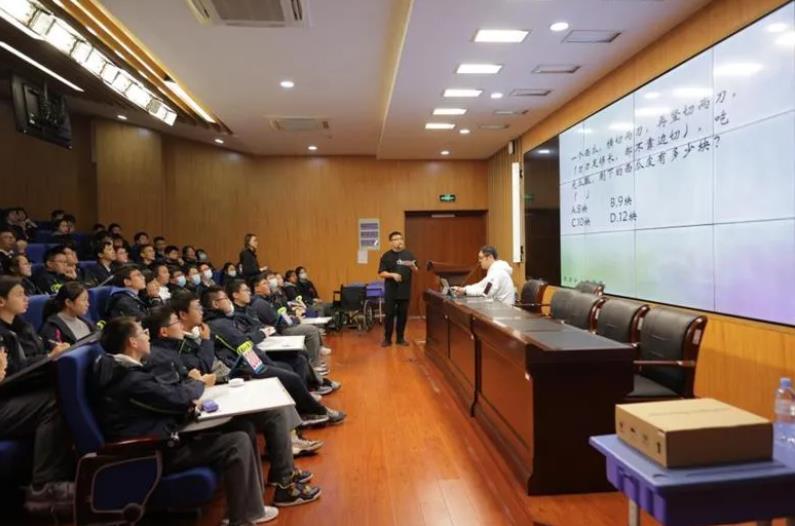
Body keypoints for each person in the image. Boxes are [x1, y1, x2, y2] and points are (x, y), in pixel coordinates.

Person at [91, 317, 281, 523]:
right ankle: (241, 519)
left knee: (243, 426)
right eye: (143, 333)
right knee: (237, 442)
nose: (148, 336)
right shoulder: (130, 379)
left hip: (164, 436)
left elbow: (168, 393)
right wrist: (198, 384)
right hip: (154, 451)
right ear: (133, 342)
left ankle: (252, 508)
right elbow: (178, 398)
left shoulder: (128, 370)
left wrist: (189, 393)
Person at [201, 286, 345, 425]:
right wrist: (267, 365)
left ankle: (303, 403)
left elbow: (252, 333)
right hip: (244, 368)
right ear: (215, 304)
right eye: (225, 298)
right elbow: (244, 346)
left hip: (252, 360)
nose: (229, 301)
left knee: (297, 360)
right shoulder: (219, 325)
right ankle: (315, 411)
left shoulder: (229, 319)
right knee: (291, 376)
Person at [0, 283, 75, 516]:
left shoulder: (23, 326)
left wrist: (51, 355)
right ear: (1, 301)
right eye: (19, 295)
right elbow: (10, 372)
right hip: (4, 402)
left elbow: (33, 357)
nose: (27, 299)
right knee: (53, 401)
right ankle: (45, 486)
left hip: (16, 394)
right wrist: (47, 358)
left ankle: (75, 470)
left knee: (64, 391)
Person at [377, 231, 417, 347]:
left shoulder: (409, 255)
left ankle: (400, 338)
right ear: (391, 242)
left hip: (404, 290)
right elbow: (381, 273)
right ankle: (387, 339)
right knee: (389, 315)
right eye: (396, 239)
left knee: (402, 315)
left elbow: (417, 270)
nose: (399, 241)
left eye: (400, 239)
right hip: (391, 291)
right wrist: (392, 275)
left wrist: (413, 266)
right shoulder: (386, 256)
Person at [451, 245, 515, 305]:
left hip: (502, 310)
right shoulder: (495, 270)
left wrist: (465, 291)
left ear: (490, 257)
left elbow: (486, 292)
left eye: (481, 258)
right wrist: (464, 289)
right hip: (499, 307)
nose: (479, 261)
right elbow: (480, 285)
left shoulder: (497, 272)